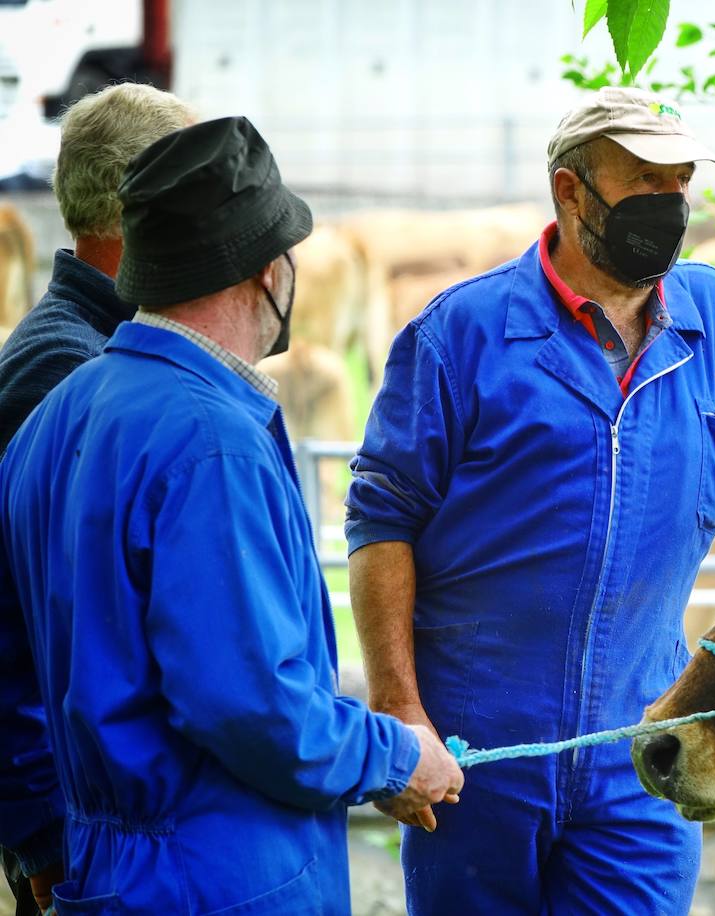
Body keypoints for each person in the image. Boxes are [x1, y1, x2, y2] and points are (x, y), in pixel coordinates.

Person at [345, 86, 715, 913]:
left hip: (639, 757)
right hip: (478, 767)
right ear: (571, 190)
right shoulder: (461, 337)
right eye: (645, 180)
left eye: (680, 182)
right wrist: (401, 714)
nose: (669, 204)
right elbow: (381, 521)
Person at [0, 115, 463, 915]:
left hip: (104, 873)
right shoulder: (210, 442)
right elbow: (248, 703)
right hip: (225, 880)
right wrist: (394, 755)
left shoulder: (62, 410)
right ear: (264, 271)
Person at [0, 81, 194, 915]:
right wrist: (43, 838)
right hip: (79, 839)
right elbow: (17, 631)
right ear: (143, 205)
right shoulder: (68, 375)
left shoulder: (88, 349)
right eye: (196, 192)